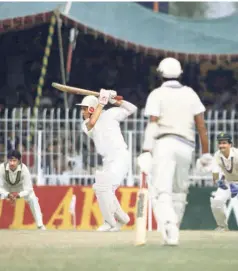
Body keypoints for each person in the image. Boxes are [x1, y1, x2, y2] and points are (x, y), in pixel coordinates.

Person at [137, 57, 212, 245]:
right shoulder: (190, 94)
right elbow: (201, 126)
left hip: (164, 144)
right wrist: (205, 153)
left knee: (162, 191)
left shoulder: (156, 94)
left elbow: (153, 123)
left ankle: (169, 226)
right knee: (179, 191)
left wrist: (147, 149)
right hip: (186, 146)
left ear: (160, 75)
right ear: (180, 74)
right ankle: (174, 231)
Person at [77, 89, 137, 231]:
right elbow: (92, 122)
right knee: (100, 188)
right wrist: (102, 103)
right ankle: (122, 219)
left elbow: (132, 109)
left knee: (105, 188)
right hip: (108, 160)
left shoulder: (111, 114)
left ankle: (109, 222)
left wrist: (114, 101)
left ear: (91, 108)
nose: (82, 112)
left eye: (84, 109)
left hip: (120, 156)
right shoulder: (85, 124)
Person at [0, 150, 45, 230]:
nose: (12, 163)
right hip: (6, 188)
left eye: (14, 160)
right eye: (10, 160)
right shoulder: (2, 168)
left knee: (32, 198)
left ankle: (40, 225)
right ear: (7, 160)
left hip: (20, 188)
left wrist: (18, 195)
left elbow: (29, 189)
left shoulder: (24, 169)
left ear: (19, 161)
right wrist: (7, 194)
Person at [210, 132, 238, 231]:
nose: (222, 145)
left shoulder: (236, 154)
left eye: (224, 143)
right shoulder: (217, 155)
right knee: (217, 201)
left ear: (230, 144)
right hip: (227, 183)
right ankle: (223, 226)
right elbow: (215, 172)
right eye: (220, 143)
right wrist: (219, 182)